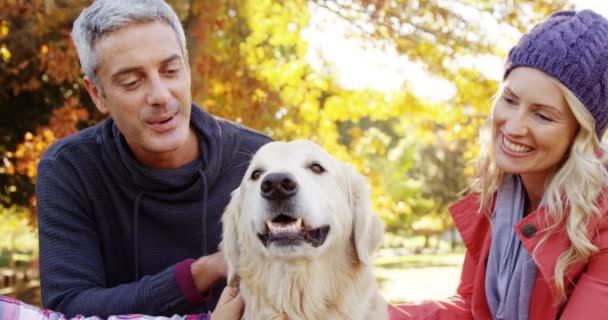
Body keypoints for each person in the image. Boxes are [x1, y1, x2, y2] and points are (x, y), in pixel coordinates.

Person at [35, 0, 270, 318]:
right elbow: (69, 307)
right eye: (131, 82)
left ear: (186, 67)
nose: (160, 95)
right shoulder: (69, 169)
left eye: (170, 71)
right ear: (97, 94)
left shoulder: (260, 164)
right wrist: (204, 272)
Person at [390, 9, 608, 320]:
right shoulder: (496, 196)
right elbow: (469, 308)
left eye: (542, 115)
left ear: (580, 135)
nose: (514, 126)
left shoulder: (601, 222)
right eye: (509, 100)